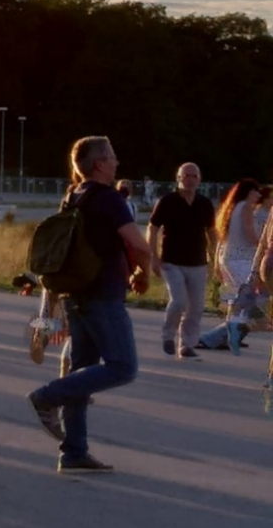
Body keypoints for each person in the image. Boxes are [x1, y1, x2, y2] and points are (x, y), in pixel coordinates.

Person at [27, 136, 150, 473]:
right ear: (98, 164)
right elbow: (138, 243)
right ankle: (47, 395)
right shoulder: (109, 199)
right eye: (111, 157)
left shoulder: (73, 196)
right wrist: (144, 271)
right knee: (123, 366)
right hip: (103, 295)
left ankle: (74, 451)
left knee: (83, 370)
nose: (116, 162)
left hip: (76, 295)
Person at [147, 163, 217, 360]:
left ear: (199, 179)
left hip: (198, 262)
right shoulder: (167, 201)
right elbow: (152, 228)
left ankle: (186, 345)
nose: (190, 179)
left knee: (195, 307)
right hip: (171, 261)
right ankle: (168, 336)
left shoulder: (204, 203)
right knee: (178, 301)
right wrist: (153, 256)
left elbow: (212, 233)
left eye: (194, 176)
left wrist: (215, 257)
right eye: (185, 175)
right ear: (178, 178)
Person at [213, 179, 262, 353]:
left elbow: (222, 237)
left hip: (227, 257)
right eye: (256, 191)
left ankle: (223, 337)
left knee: (236, 298)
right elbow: (250, 233)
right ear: (249, 192)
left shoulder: (231, 208)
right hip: (241, 259)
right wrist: (264, 245)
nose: (258, 195)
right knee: (247, 298)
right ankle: (232, 333)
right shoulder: (247, 207)